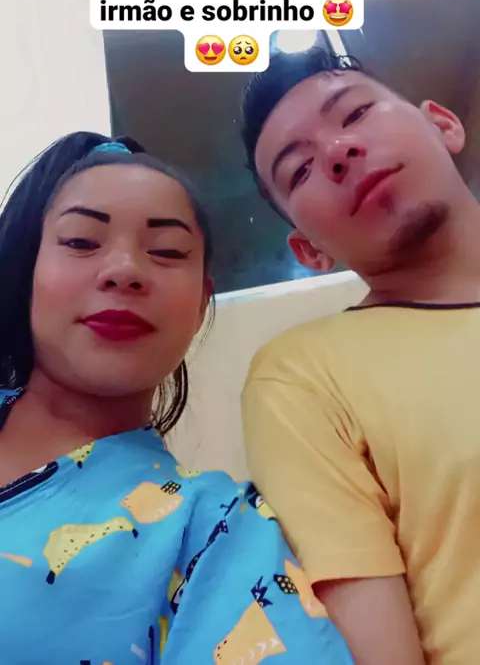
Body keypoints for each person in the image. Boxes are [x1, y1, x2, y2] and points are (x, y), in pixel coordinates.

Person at [0, 131, 354, 665]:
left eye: (166, 251)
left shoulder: (212, 531)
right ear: (27, 270)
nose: (124, 271)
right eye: (81, 242)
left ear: (202, 303)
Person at [240, 46, 480, 665]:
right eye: (300, 170)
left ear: (443, 123)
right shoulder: (302, 377)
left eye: (354, 114)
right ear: (309, 250)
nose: (338, 152)